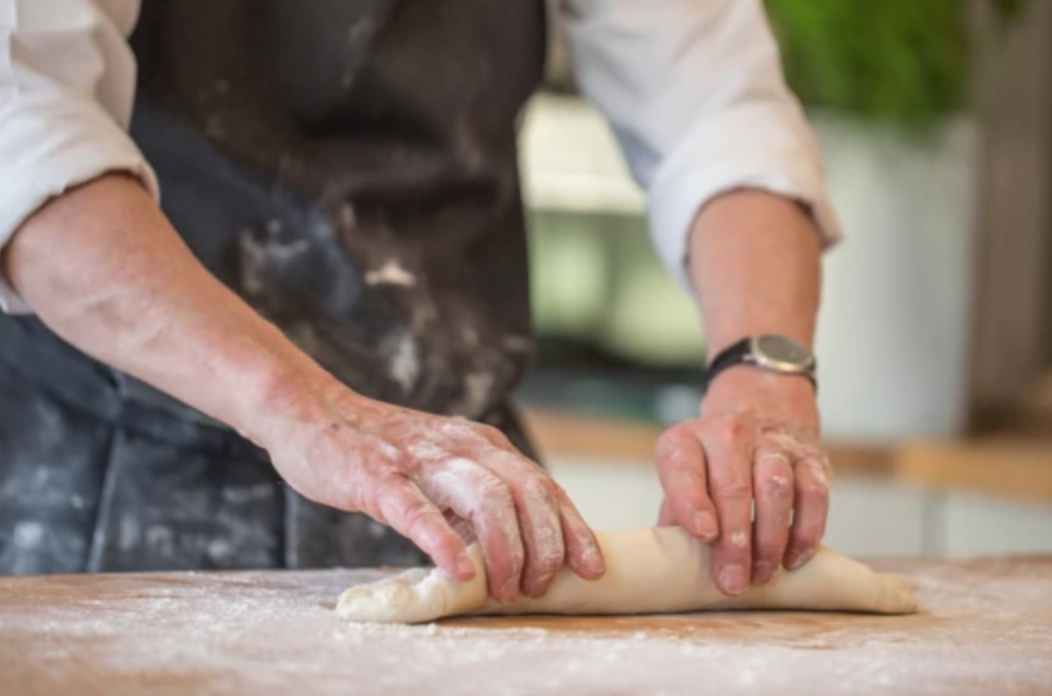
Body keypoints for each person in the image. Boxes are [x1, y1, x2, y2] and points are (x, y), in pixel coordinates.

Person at [0, 0, 837, 604]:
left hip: (466, 493)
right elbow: (23, 131)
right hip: (109, 480)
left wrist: (761, 367)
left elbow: (715, 109)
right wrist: (304, 407)